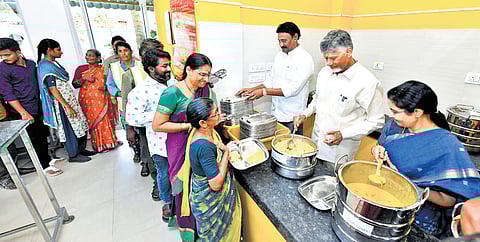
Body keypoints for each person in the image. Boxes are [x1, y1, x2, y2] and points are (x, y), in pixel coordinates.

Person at [372, 80, 480, 238]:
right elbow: (379, 147)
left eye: (395, 111)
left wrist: (412, 188)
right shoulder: (395, 126)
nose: (391, 115)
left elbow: (448, 200)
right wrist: (377, 150)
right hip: (383, 201)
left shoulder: (447, 146)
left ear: (417, 112)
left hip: (417, 218)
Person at [153, 53, 217, 241]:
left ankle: (203, 225)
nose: (206, 79)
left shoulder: (205, 91)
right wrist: (189, 125)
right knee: (183, 187)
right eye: (202, 74)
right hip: (179, 146)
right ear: (189, 70)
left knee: (200, 185)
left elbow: (211, 115)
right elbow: (157, 125)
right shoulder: (172, 93)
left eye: (208, 75)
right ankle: (188, 229)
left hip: (201, 144)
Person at [295, 29, 385, 162]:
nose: (329, 63)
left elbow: (376, 121)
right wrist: (305, 113)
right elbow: (318, 99)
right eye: (326, 58)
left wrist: (343, 134)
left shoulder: (367, 82)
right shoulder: (324, 73)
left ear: (348, 52)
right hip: (315, 143)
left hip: (340, 152)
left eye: (333, 58)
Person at [0, 37, 63, 177]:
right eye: (1, 56)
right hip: (22, 110)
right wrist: (23, 113)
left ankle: (48, 159)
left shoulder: (31, 64)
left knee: (42, 135)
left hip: (38, 105)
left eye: (7, 54)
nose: (5, 58)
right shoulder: (3, 69)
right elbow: (8, 94)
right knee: (33, 138)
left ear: (18, 52)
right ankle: (44, 167)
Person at [236, 22, 314, 134]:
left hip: (292, 117)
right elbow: (270, 81)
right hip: (276, 113)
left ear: (295, 37)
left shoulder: (305, 59)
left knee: (289, 148)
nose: (281, 45)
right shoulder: (280, 55)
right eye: (279, 41)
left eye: (284, 40)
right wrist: (252, 89)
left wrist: (263, 92)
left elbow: (292, 89)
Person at [180, 97, 241, 241]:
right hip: (210, 201)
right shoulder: (204, 146)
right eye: (216, 113)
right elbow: (215, 184)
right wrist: (226, 152)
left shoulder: (205, 132)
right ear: (203, 123)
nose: (220, 114)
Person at [126, 48, 173, 220]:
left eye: (169, 65)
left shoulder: (173, 84)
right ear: (151, 69)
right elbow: (132, 117)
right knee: (164, 173)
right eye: (164, 66)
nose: (168, 69)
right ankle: (167, 203)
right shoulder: (140, 91)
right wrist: (161, 114)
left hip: (179, 138)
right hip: (160, 142)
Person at [37, 38, 95, 163]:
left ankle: (80, 149)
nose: (61, 52)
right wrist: (67, 106)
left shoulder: (54, 64)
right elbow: (53, 89)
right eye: (58, 49)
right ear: (49, 51)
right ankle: (73, 155)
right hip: (62, 105)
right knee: (69, 128)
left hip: (70, 101)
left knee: (79, 124)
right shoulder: (46, 67)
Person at [122, 39, 164, 179]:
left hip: (167, 123)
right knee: (150, 151)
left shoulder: (165, 69)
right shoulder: (130, 74)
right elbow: (125, 103)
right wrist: (129, 128)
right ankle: (155, 180)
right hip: (146, 123)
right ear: (141, 56)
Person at [72, 49, 119, 153]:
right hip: (89, 102)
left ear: (98, 58)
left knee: (105, 119)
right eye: (87, 55)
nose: (88, 57)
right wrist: (84, 78)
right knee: (95, 123)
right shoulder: (81, 69)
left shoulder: (104, 69)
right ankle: (98, 144)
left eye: (91, 55)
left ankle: (110, 142)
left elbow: (111, 82)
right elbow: (74, 84)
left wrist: (105, 87)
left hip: (103, 99)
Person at [105, 41, 143, 165]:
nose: (124, 53)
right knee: (130, 130)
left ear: (130, 51)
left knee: (141, 131)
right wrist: (118, 93)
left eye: (125, 50)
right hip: (124, 104)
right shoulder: (114, 67)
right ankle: (136, 151)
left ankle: (144, 156)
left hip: (140, 102)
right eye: (120, 51)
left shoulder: (139, 64)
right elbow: (110, 84)